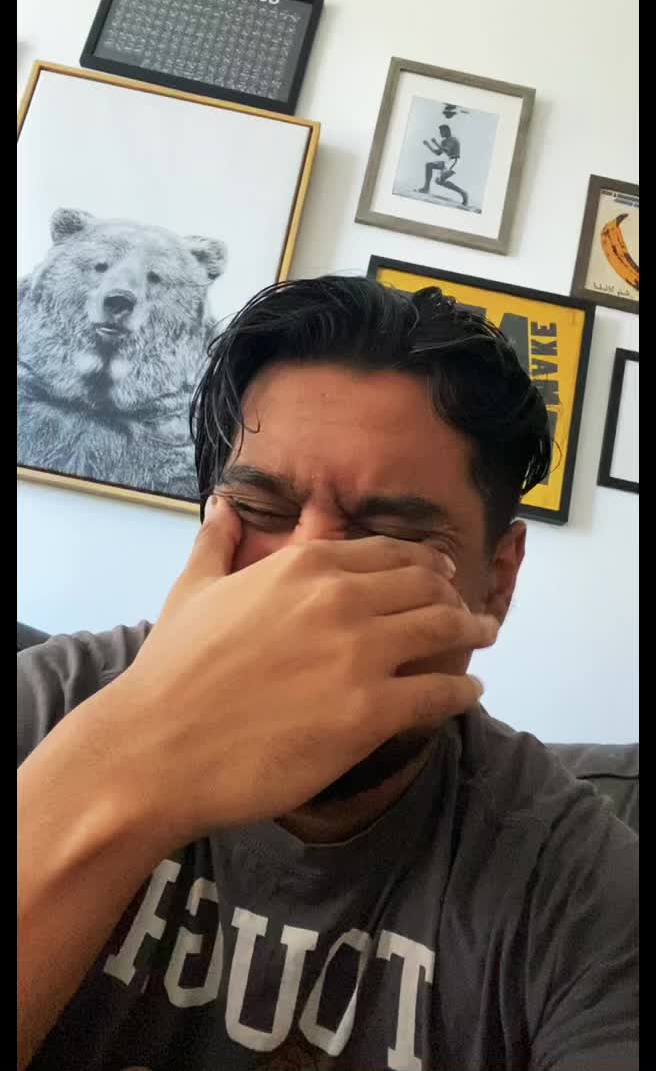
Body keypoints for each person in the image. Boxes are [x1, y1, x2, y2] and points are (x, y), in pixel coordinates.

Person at [18, 276, 637, 1071]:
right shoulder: (48, 705)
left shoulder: (577, 888)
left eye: (392, 533)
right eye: (261, 514)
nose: (305, 583)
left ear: (498, 580)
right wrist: (126, 759)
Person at [417, 123, 469, 206]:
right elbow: (437, 153)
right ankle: (426, 188)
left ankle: (463, 193)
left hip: (455, 161)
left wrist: (435, 143)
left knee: (440, 181)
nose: (440, 133)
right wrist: (428, 145)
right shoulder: (444, 141)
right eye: (440, 131)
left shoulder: (452, 139)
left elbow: (447, 150)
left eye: (441, 131)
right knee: (429, 165)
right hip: (449, 161)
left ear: (447, 131)